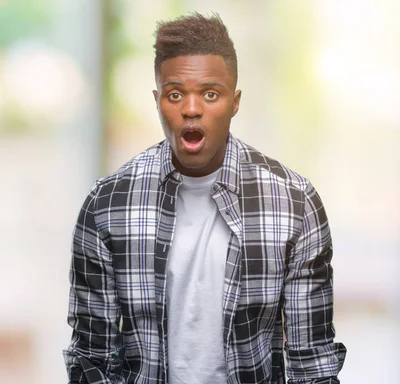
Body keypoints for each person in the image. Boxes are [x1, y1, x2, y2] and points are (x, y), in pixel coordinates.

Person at [63, 12, 346, 384]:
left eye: (210, 94)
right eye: (175, 94)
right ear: (158, 99)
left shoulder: (294, 203)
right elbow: (90, 360)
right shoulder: (108, 204)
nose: (192, 108)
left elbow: (312, 364)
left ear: (235, 101)